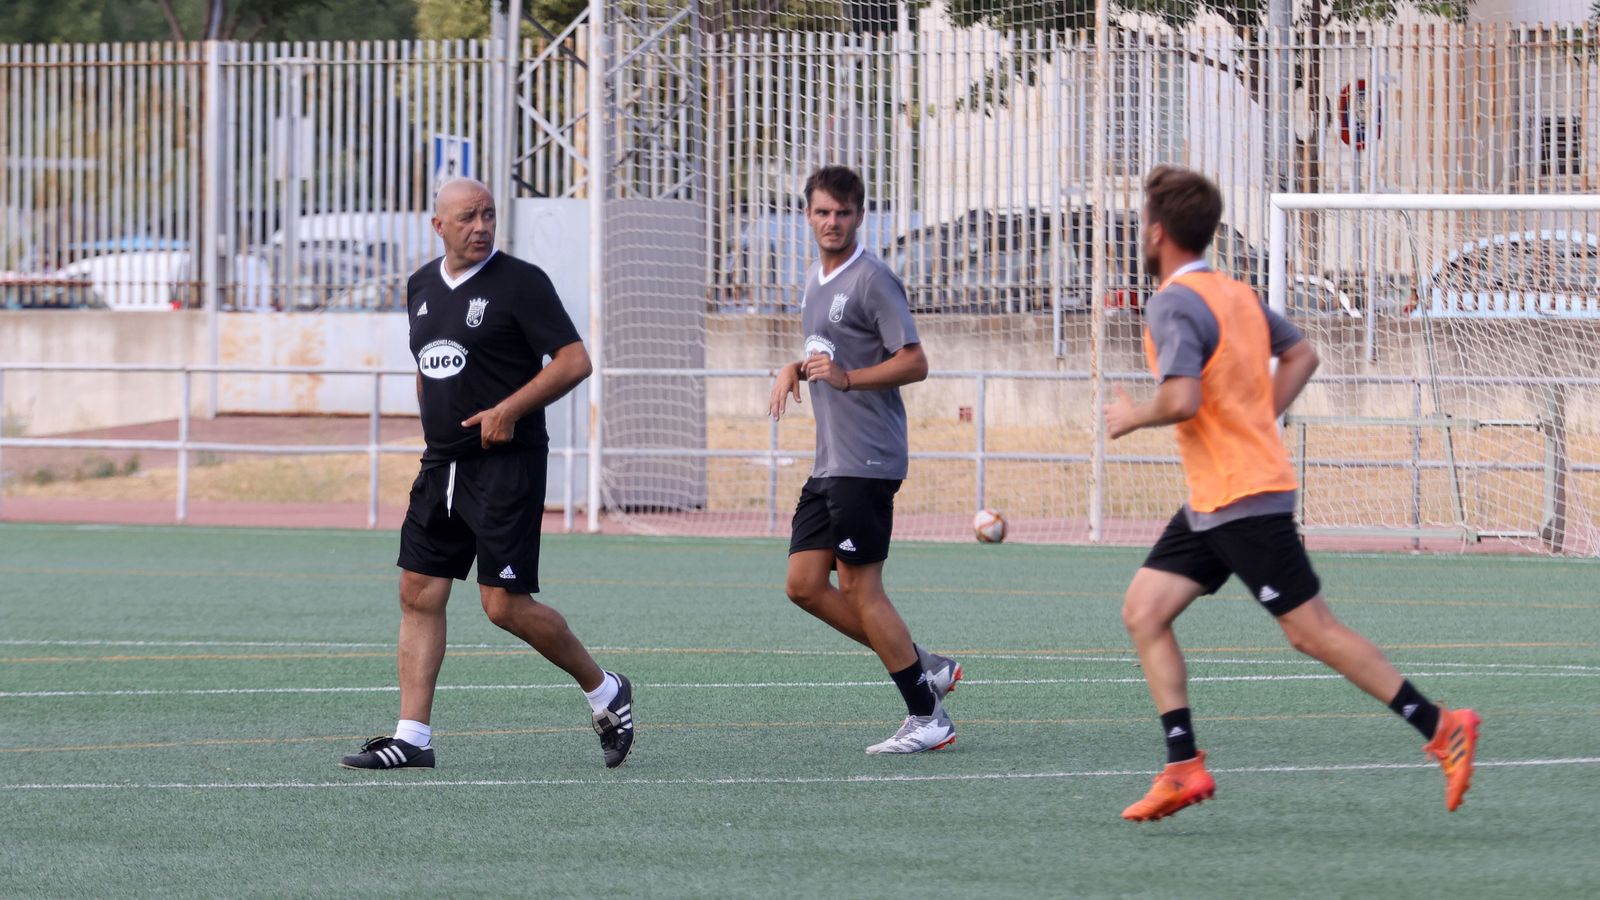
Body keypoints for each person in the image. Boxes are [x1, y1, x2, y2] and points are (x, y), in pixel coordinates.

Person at [1104, 165, 1480, 820]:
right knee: (1145, 610)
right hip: (1215, 498)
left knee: (1312, 633)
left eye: (1143, 221)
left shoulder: (1170, 301)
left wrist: (1133, 414)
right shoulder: (1235, 292)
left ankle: (1441, 725)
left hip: (1241, 496)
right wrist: (1257, 418)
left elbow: (1182, 395)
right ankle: (1183, 766)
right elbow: (1303, 354)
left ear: (1157, 232)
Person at [340, 178, 634, 771]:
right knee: (418, 592)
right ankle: (413, 737)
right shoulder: (420, 286)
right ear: (439, 226)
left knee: (504, 606)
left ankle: (605, 690)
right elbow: (428, 367)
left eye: (489, 216)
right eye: (469, 217)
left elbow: (576, 361)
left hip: (506, 467)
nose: (481, 226)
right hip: (441, 465)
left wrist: (508, 410)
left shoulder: (521, 283)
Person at [768, 165, 961, 754]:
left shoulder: (874, 279)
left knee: (860, 589)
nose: (832, 222)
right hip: (830, 462)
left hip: (867, 461)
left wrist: (850, 380)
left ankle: (928, 716)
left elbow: (915, 361)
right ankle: (922, 663)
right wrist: (793, 367)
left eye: (844, 213)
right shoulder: (813, 279)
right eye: (823, 212)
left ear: (859, 216)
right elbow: (827, 351)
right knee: (803, 584)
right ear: (808, 215)